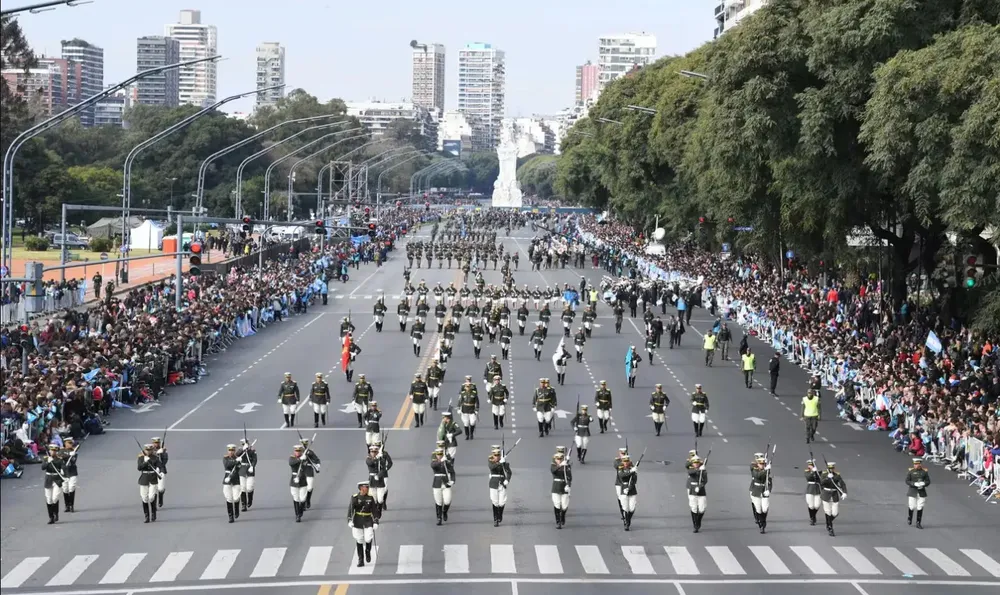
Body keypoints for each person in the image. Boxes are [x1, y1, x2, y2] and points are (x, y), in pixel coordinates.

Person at [348, 481, 378, 567]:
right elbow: (350, 510)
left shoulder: (370, 498)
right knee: (359, 540)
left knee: (368, 538)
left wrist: (376, 521)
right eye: (366, 487)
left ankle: (367, 551)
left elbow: (375, 511)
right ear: (361, 488)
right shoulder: (355, 498)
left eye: (368, 487)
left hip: (368, 521)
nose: (367, 489)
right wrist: (350, 520)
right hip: (358, 520)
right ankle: (360, 559)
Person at [820, 461, 847, 536]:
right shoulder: (824, 474)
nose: (831, 470)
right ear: (827, 468)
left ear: (834, 468)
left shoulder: (837, 475)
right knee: (828, 512)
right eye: (829, 468)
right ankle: (830, 528)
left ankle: (828, 522)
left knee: (835, 513)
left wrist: (844, 492)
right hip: (826, 495)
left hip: (834, 495)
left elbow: (842, 484)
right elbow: (821, 483)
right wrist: (827, 478)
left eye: (832, 468)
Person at [366, 442, 392, 520]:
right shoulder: (368, 458)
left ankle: (379, 508)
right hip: (372, 481)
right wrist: (378, 457)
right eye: (372, 452)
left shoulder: (381, 459)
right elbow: (371, 463)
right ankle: (375, 514)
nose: (373, 453)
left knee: (380, 499)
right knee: (373, 499)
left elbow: (384, 469)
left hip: (380, 481)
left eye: (375, 451)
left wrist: (379, 475)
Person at [488, 445, 513, 526]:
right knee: (495, 501)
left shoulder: (504, 462)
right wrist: (499, 463)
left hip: (502, 483)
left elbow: (509, 472)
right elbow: (492, 467)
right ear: (492, 455)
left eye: (498, 455)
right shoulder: (490, 461)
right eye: (495, 455)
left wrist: (507, 480)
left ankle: (500, 514)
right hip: (494, 483)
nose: (497, 456)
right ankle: (495, 519)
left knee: (502, 502)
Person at [137, 442, 161, 523]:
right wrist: (145, 462)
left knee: (151, 497)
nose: (148, 451)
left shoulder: (155, 458)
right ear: (145, 450)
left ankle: (153, 513)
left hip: (153, 478)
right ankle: (146, 516)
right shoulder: (141, 458)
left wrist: (150, 461)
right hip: (144, 479)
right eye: (147, 450)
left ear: (152, 450)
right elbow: (139, 468)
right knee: (144, 498)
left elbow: (159, 466)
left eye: (150, 450)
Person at [431, 447, 455, 525]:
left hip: (446, 483)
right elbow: (433, 466)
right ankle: (439, 518)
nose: (439, 456)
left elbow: (452, 471)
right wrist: (441, 460)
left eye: (441, 454)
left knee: (447, 501)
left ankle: (444, 512)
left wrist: (453, 481)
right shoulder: (434, 462)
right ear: (436, 455)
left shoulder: (446, 462)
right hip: (437, 483)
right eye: (438, 455)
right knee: (438, 502)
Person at [42, 444, 65, 525]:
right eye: (51, 450)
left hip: (57, 480)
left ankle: (56, 513)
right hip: (48, 479)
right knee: (49, 499)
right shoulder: (46, 458)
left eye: (54, 451)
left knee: (55, 498)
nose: (52, 452)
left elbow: (62, 466)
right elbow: (43, 467)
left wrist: (62, 470)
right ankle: (51, 517)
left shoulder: (59, 459)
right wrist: (48, 461)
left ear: (56, 451)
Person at [749, 453, 772, 533]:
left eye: (763, 464)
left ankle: (763, 522)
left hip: (764, 492)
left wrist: (768, 490)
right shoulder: (755, 469)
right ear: (758, 464)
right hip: (756, 491)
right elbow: (758, 475)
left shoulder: (766, 471)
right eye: (760, 464)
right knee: (758, 509)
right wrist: (766, 470)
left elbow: (769, 481)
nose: (762, 465)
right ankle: (761, 524)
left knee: (765, 509)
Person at [906, 458, 931, 529]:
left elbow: (928, 481)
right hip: (913, 491)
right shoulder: (911, 472)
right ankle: (910, 517)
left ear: (920, 464)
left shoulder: (924, 472)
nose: (915, 465)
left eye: (917, 464)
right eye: (915, 464)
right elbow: (907, 481)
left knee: (920, 506)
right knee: (912, 506)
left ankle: (918, 522)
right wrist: (913, 483)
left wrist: (924, 483)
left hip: (921, 491)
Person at [551, 446, 572, 529]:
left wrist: (568, 485)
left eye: (560, 459)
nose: (559, 460)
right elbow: (554, 471)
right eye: (557, 459)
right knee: (556, 504)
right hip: (556, 487)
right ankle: (558, 521)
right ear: (555, 459)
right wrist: (560, 466)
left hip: (564, 487)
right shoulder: (553, 466)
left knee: (564, 505)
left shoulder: (566, 466)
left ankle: (563, 515)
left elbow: (570, 477)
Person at [299, 437, 321, 510]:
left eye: (305, 444)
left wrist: (317, 465)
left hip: (309, 471)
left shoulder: (310, 452)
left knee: (309, 488)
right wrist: (300, 458)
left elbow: (317, 460)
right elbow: (293, 461)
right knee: (302, 488)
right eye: (303, 444)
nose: (304, 445)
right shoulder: (299, 453)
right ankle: (303, 503)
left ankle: (308, 500)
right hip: (301, 471)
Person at [687, 455, 708, 533]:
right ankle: (695, 525)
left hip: (701, 492)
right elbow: (691, 473)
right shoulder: (691, 469)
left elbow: (705, 481)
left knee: (702, 508)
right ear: (692, 463)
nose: (696, 464)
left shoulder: (704, 471)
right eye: (694, 463)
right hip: (692, 491)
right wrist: (699, 470)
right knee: (694, 508)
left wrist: (700, 486)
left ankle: (698, 520)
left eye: (697, 462)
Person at [617, 454, 638, 531]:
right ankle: (626, 523)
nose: (625, 463)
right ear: (622, 462)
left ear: (629, 462)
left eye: (627, 461)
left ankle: (628, 519)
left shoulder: (633, 469)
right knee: (625, 508)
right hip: (624, 491)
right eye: (624, 461)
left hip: (632, 491)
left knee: (632, 508)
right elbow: (622, 476)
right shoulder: (620, 468)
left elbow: (634, 481)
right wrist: (631, 471)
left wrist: (635, 472)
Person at [289, 444, 309, 522]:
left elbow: (304, 467)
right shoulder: (292, 458)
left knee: (303, 498)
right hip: (294, 481)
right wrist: (300, 459)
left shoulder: (305, 458)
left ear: (301, 451)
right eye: (296, 451)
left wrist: (304, 459)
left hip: (302, 480)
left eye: (299, 451)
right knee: (296, 498)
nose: (297, 452)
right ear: (294, 451)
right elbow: (291, 463)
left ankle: (301, 510)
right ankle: (297, 515)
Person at [222, 444, 242, 523]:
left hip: (235, 480)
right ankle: (231, 516)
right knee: (229, 498)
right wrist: (235, 461)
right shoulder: (225, 458)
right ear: (228, 451)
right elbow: (227, 465)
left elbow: (238, 469)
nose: (231, 452)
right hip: (227, 481)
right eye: (229, 450)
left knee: (236, 498)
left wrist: (238, 461)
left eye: (232, 450)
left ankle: (236, 510)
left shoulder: (238, 459)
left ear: (234, 451)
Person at [238, 437, 257, 511]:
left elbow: (255, 459)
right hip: (242, 470)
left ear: (248, 443)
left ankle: (250, 500)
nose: (244, 445)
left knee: (249, 487)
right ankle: (243, 505)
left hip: (249, 470)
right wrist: (243, 449)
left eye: (245, 444)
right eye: (243, 444)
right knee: (242, 488)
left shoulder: (252, 451)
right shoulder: (240, 450)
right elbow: (237, 454)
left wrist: (252, 466)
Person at [60, 437, 79, 513]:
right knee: (65, 489)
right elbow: (60, 457)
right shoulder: (61, 451)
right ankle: (67, 505)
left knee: (71, 488)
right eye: (69, 443)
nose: (71, 444)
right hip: (64, 472)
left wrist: (72, 455)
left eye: (72, 443)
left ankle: (71, 505)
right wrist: (68, 455)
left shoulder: (74, 451)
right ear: (65, 443)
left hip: (72, 472)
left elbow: (73, 461)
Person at [150, 436, 168, 508]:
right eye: (155, 443)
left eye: (157, 443)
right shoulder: (150, 450)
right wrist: (156, 453)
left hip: (161, 470)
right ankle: (154, 505)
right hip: (152, 470)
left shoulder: (163, 449)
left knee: (160, 488)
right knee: (153, 488)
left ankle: (160, 498)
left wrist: (162, 453)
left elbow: (165, 460)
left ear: (159, 443)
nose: (156, 444)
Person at [804, 458, 822, 525]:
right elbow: (808, 477)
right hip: (810, 490)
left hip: (817, 490)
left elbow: (821, 478)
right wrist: (813, 471)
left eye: (812, 465)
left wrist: (816, 471)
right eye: (810, 465)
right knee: (811, 506)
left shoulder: (818, 472)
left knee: (817, 505)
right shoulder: (807, 472)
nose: (810, 466)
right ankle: (812, 518)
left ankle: (813, 516)